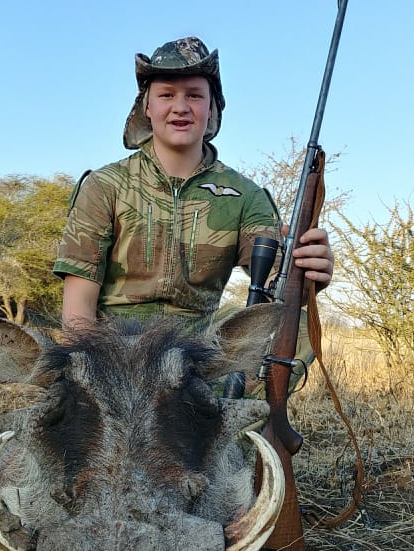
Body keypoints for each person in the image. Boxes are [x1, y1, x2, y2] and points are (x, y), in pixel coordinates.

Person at [53, 37, 334, 334]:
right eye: (166, 95)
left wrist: (308, 274)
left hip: (198, 352)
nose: (180, 107)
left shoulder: (246, 195)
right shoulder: (104, 184)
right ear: (147, 107)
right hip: (115, 348)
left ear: (211, 109)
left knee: (297, 327)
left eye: (195, 96)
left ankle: (238, 383)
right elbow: (79, 303)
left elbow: (275, 290)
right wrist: (87, 372)